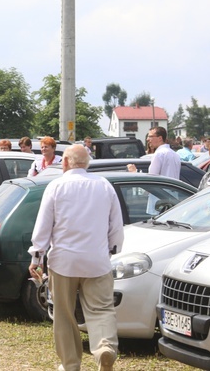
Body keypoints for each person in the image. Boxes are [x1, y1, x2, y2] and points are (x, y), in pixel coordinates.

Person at [28, 144, 124, 371]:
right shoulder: (104, 185)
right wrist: (112, 249)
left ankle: (70, 364)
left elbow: (43, 226)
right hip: (97, 260)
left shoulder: (56, 186)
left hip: (63, 261)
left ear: (65, 162)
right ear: (87, 163)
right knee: (101, 310)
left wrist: (36, 257)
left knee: (64, 314)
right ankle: (104, 347)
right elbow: (116, 226)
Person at [128, 126, 180, 214]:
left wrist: (135, 173)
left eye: (150, 136)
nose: (148, 139)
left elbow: (151, 179)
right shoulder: (174, 154)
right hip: (173, 198)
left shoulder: (159, 154)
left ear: (160, 138)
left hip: (159, 200)